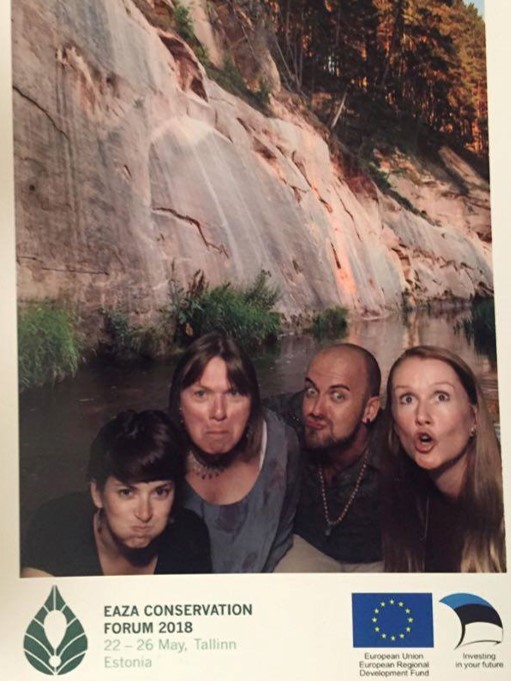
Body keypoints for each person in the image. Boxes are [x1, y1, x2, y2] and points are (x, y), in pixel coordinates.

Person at [168, 332, 301, 573]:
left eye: (234, 393)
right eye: (201, 394)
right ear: (179, 402)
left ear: (252, 404)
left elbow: (281, 539)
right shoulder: (157, 454)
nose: (219, 412)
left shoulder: (279, 444)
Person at [22, 410, 212, 576]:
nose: (144, 514)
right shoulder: (55, 527)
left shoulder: (189, 536)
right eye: (126, 492)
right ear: (97, 493)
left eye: (160, 492)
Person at [381, 345, 505, 572]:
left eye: (441, 397)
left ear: (474, 417)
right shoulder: (406, 505)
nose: (422, 416)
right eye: (407, 399)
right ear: (395, 426)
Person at [270, 343, 383, 572]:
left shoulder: (396, 448)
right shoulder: (290, 418)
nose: (316, 410)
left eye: (338, 396)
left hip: (377, 561)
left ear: (369, 410)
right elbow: (242, 410)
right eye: (311, 391)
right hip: (308, 550)